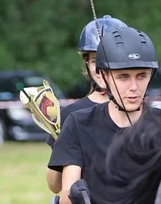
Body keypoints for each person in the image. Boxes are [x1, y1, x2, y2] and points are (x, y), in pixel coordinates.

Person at [48, 20, 158, 204]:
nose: (133, 87)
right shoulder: (78, 123)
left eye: (141, 76)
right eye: (123, 77)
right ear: (104, 77)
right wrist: (74, 195)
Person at [45, 17, 111, 194]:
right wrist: (62, 146)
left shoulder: (137, 112)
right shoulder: (71, 114)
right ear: (86, 63)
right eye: (96, 60)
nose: (101, 68)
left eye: (110, 59)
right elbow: (54, 186)